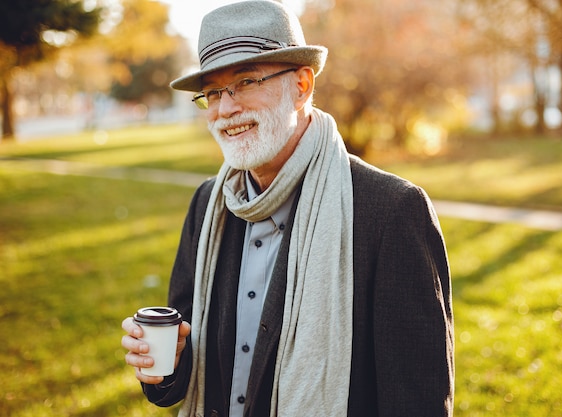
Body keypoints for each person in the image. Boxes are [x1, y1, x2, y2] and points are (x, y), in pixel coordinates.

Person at [120, 1, 454, 416]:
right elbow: (188, 369)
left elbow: (416, 402)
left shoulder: (391, 212)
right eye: (213, 92)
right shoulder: (208, 205)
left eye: (246, 81)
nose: (226, 109)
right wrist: (162, 367)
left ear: (302, 86)